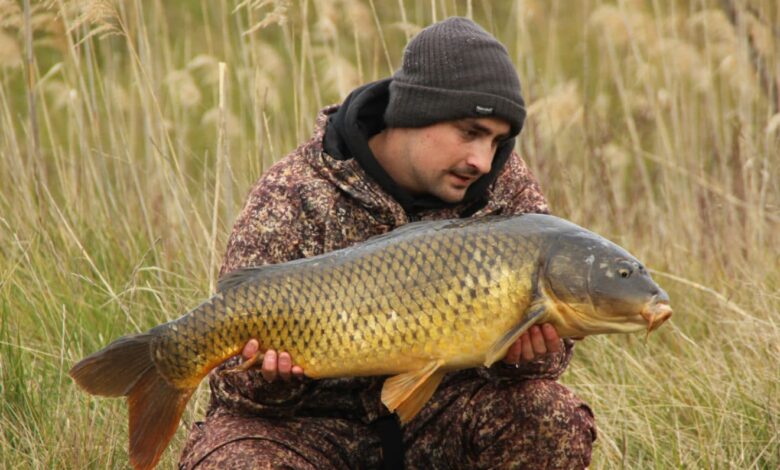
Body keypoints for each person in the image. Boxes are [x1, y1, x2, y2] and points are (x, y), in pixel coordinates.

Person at [179, 17, 596, 470]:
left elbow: (547, 364)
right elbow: (235, 393)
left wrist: (524, 356)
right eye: (469, 132)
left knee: (548, 415)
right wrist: (274, 380)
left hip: (439, 416)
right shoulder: (296, 189)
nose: (482, 160)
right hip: (308, 426)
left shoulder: (507, 196)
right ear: (413, 115)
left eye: (497, 141)